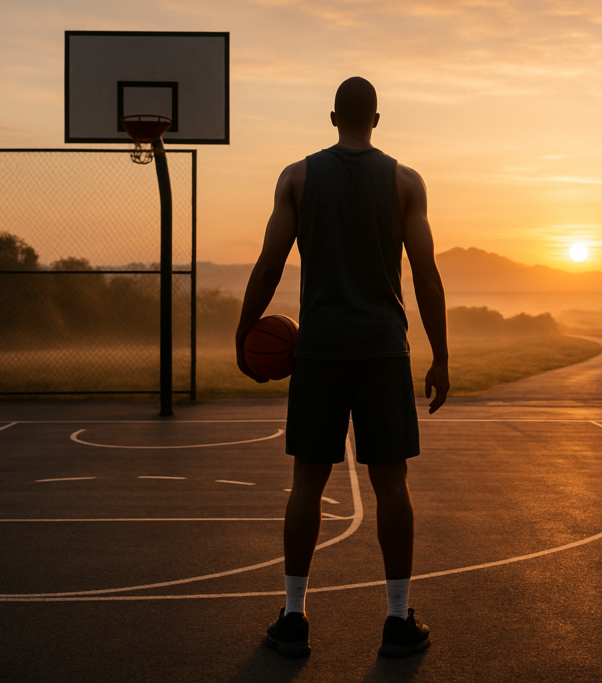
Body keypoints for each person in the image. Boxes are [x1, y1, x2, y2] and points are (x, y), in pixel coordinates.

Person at [235, 76, 450, 659]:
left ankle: (294, 618)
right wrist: (441, 354)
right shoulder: (406, 182)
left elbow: (268, 264)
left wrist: (244, 328)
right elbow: (427, 274)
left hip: (320, 348)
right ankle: (397, 621)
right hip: (383, 349)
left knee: (307, 482)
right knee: (391, 484)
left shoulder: (298, 177)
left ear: (334, 118)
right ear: (376, 119)